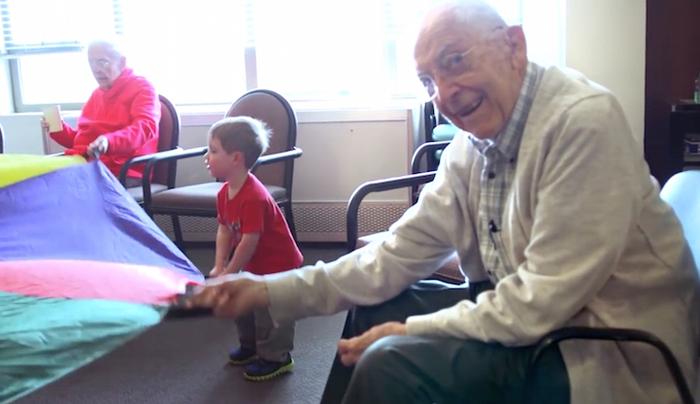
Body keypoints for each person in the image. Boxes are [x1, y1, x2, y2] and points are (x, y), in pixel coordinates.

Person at [186, 1, 700, 403]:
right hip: (530, 322)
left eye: (455, 61)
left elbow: (536, 304)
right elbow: (391, 257)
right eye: (429, 80)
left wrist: (411, 330)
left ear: (514, 46)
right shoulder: (468, 149)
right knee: (373, 309)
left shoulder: (581, 124)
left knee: (390, 363)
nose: (444, 92)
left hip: (603, 348)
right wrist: (265, 290)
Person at [204, 116, 303, 381]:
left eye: (213, 151)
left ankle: (276, 357)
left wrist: (230, 271)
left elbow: (249, 240)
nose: (207, 157)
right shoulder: (224, 193)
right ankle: (250, 346)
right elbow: (225, 230)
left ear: (236, 158)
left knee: (271, 312)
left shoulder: (253, 197)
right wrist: (219, 265)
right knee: (244, 303)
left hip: (277, 265)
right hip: (252, 263)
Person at [42, 39, 161, 187]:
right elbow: (83, 142)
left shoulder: (143, 88)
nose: (95, 70)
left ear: (122, 63)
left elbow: (144, 128)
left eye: (101, 62)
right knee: (34, 182)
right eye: (90, 63)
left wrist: (109, 142)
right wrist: (59, 130)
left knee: (55, 189)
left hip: (122, 170)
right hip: (88, 165)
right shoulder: (96, 95)